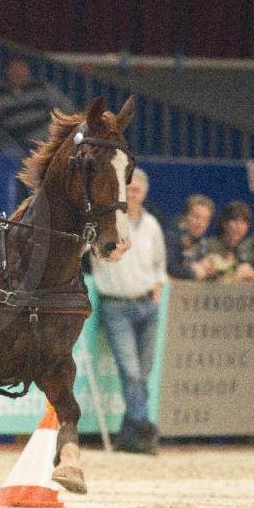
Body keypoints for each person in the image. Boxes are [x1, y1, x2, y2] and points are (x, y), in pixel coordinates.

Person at [90, 168, 167, 455]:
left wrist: (157, 286)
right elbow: (90, 251)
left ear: (144, 193)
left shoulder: (152, 225)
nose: (133, 195)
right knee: (132, 372)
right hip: (116, 305)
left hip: (148, 304)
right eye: (129, 189)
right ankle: (144, 427)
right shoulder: (106, 221)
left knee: (143, 373)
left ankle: (129, 435)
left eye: (137, 190)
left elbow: (160, 263)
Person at [0, 55, 74, 152]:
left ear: (27, 71)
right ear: (6, 71)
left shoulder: (41, 88)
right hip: (15, 143)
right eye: (13, 69)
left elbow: (66, 106)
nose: (17, 73)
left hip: (43, 140)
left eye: (21, 69)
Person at [202, 200, 254, 282]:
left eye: (243, 222)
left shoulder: (246, 249)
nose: (239, 227)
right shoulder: (209, 246)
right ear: (224, 223)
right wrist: (235, 275)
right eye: (235, 221)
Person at [164, 194, 215, 280]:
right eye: (196, 217)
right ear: (184, 217)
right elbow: (169, 269)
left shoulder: (203, 243)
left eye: (205, 219)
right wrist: (192, 273)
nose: (200, 224)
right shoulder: (171, 238)